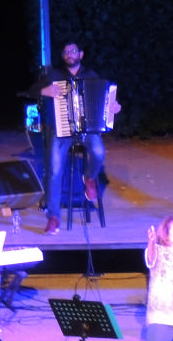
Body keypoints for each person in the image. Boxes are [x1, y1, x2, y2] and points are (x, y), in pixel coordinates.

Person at [34, 40, 121, 235]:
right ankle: (54, 217)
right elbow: (31, 90)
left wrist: (114, 107)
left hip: (87, 130)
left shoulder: (91, 76)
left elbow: (106, 101)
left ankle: (89, 177)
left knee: (98, 151)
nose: (69, 54)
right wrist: (44, 91)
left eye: (73, 51)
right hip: (62, 130)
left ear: (80, 54)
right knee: (55, 171)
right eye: (66, 52)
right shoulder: (54, 75)